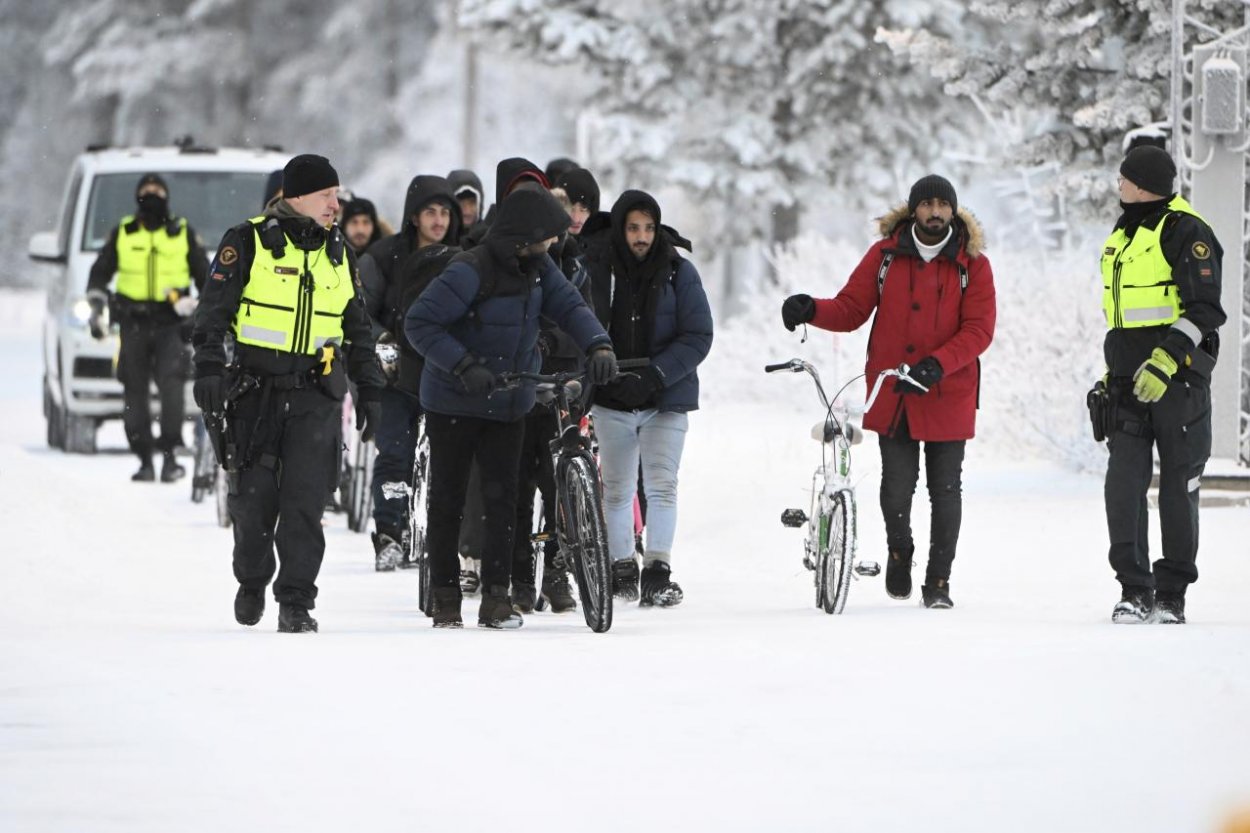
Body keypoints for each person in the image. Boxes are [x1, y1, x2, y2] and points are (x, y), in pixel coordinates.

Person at [405, 188, 616, 629]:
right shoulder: (469, 269)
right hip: (454, 400)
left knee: (503, 500)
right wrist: (463, 364)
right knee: (449, 499)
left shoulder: (539, 269)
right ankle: (445, 596)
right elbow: (420, 323)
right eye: (547, 238)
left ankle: (497, 598)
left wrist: (598, 344)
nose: (553, 246)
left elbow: (572, 308)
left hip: (508, 400)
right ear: (524, 236)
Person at [781, 175, 996, 609]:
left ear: (953, 211)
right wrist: (812, 308)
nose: (935, 212)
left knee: (945, 489)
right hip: (894, 390)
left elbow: (979, 330)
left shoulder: (973, 265)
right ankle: (901, 552)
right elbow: (851, 308)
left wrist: (938, 364)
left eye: (943, 205)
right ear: (913, 210)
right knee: (897, 487)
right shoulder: (884, 257)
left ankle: (938, 582)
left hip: (948, 391)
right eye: (927, 204)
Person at [191, 154, 385, 633]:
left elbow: (358, 330)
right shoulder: (247, 241)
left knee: (305, 502)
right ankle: (253, 578)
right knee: (253, 502)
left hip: (315, 394)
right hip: (254, 391)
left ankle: (296, 600)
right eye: (326, 196)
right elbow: (212, 313)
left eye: (336, 196)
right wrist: (210, 369)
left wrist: (372, 389)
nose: (335, 205)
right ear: (296, 196)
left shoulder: (340, 253)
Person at [1096, 145, 1224, 624]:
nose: (1119, 185)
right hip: (1129, 382)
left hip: (1180, 382)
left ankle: (1171, 593)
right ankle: (1134, 588)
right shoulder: (1127, 231)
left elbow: (1205, 309)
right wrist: (1114, 370)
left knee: (1177, 485)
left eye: (1124, 178)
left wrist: (1166, 359)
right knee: (1123, 486)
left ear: (1143, 183)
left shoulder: (1188, 231)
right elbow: (1124, 318)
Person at [587, 190, 713, 608]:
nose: (641, 237)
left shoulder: (680, 272)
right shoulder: (597, 269)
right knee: (618, 490)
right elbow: (581, 321)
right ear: (620, 229)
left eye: (648, 228)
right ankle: (622, 565)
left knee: (662, 487)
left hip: (666, 398)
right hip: (612, 395)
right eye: (633, 227)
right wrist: (604, 370)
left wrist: (657, 375)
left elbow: (698, 335)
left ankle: (658, 569)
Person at [359, 176, 462, 570]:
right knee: (395, 455)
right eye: (430, 212)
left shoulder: (465, 258)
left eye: (445, 213)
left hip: (446, 375)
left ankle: (441, 536)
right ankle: (389, 530)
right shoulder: (384, 258)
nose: (438, 221)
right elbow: (357, 312)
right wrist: (380, 339)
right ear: (414, 216)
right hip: (395, 375)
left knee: (450, 463)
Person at [508, 182, 596, 614]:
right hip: (525, 381)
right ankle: (520, 575)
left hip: (567, 382)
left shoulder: (578, 267)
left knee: (559, 484)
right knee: (521, 482)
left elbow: (585, 318)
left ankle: (557, 570)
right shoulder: (522, 263)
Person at [87, 173, 209, 482]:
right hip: (133, 322)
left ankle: (169, 456)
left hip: (171, 323)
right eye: (147, 190)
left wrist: (199, 311)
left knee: (172, 389)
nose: (152, 195)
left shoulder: (182, 232)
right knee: (134, 391)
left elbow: (205, 277)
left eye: (158, 191)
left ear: (167, 197)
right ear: (137, 196)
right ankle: (143, 459)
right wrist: (97, 305)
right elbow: (99, 273)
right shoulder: (124, 232)